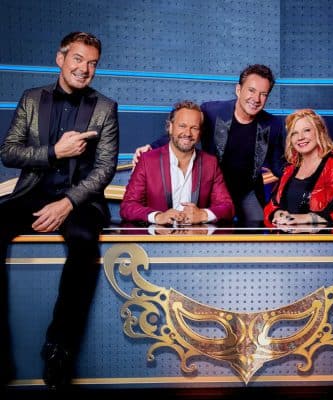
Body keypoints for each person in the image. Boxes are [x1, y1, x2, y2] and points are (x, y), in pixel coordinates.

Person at [0, 32, 119, 389]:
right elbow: (9, 152)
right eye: (78, 59)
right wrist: (55, 152)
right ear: (60, 58)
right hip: (32, 194)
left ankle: (60, 347)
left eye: (92, 63)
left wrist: (67, 202)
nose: (85, 69)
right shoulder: (31, 99)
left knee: (84, 242)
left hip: (80, 201)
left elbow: (105, 169)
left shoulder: (105, 108)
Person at [133, 64, 285, 227]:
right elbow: (185, 132)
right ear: (238, 90)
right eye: (251, 90)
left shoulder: (273, 124)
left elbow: (279, 165)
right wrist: (151, 147)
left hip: (247, 191)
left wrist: (303, 171)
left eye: (263, 94)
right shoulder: (212, 111)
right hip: (212, 187)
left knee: (257, 227)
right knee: (203, 227)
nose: (256, 99)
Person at [120, 101, 234, 226]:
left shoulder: (210, 163)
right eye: (182, 126)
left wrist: (202, 215)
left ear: (200, 133)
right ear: (170, 127)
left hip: (196, 236)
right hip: (158, 236)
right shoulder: (147, 161)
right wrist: (158, 216)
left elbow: (227, 207)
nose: (188, 133)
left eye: (194, 128)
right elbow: (128, 206)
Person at [263, 109, 333, 227]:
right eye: (294, 133)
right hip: (286, 237)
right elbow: (272, 205)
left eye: (307, 130)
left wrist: (307, 218)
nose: (300, 137)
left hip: (322, 237)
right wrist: (279, 214)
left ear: (319, 132)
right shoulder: (289, 169)